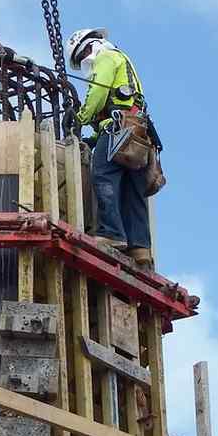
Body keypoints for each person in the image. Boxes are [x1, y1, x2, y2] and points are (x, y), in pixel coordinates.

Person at [64, 28, 153, 267]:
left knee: (103, 174)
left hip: (118, 129)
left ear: (88, 47)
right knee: (133, 190)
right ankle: (140, 247)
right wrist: (94, 139)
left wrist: (79, 118)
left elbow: (98, 94)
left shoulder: (105, 58)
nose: (84, 62)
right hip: (138, 132)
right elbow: (120, 102)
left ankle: (112, 233)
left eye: (82, 57)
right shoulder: (123, 60)